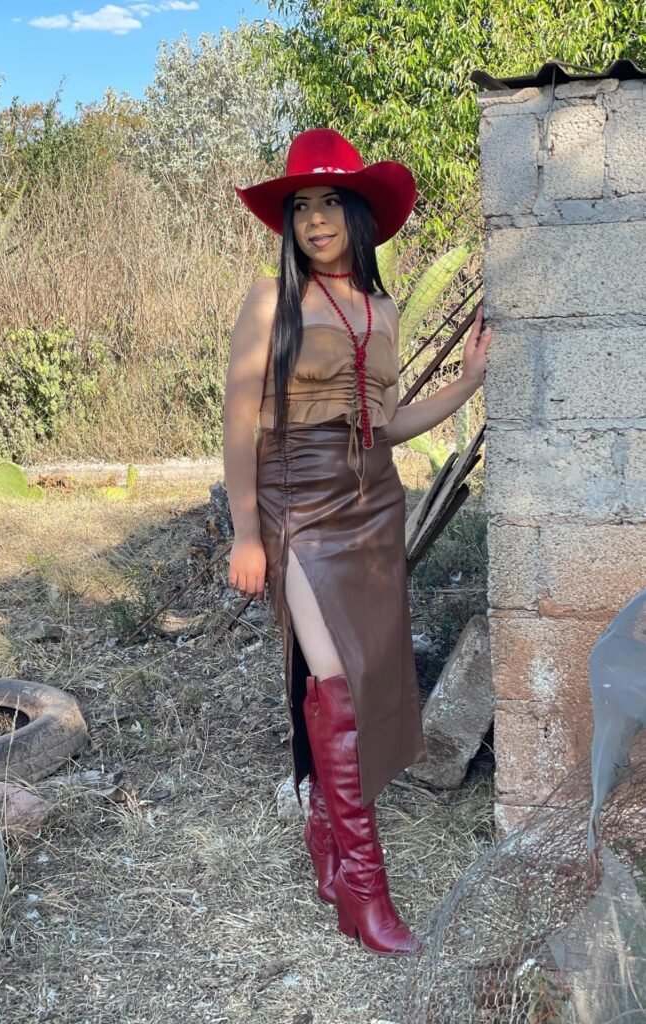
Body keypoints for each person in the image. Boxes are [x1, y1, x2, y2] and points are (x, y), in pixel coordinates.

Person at [223, 128, 491, 956]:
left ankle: (327, 850)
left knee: (370, 677)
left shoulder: (381, 309)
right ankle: (367, 893)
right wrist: (245, 529)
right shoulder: (269, 299)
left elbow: (390, 419)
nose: (312, 220)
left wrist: (468, 383)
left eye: (327, 202)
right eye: (299, 207)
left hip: (372, 498)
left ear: (358, 214)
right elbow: (240, 415)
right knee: (333, 677)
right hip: (296, 500)